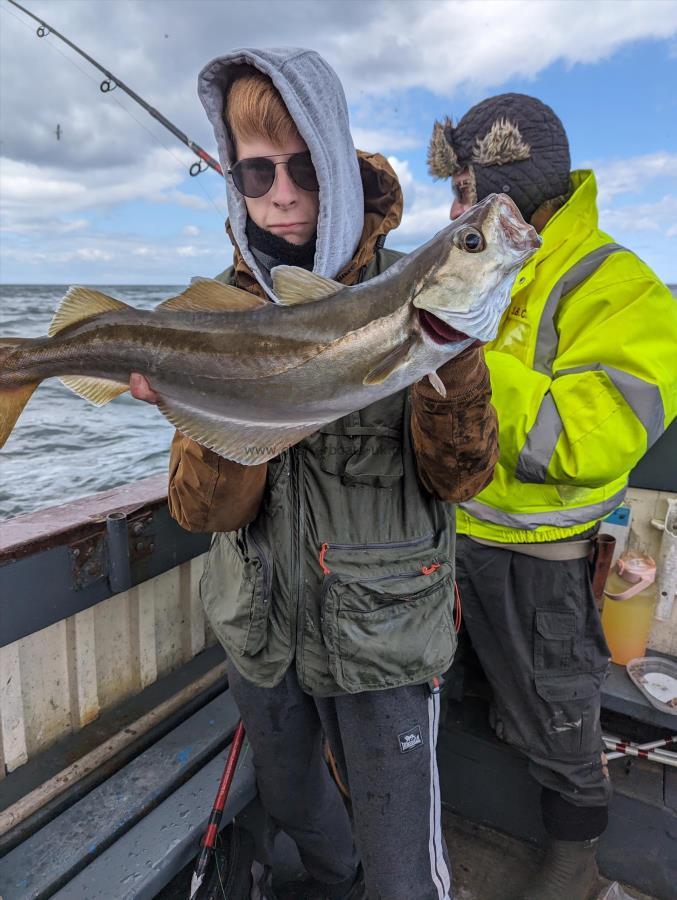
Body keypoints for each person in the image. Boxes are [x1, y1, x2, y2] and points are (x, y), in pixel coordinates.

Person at [131, 49, 499, 899]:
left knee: (404, 863)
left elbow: (461, 479)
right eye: (257, 171)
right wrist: (207, 410)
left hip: (382, 643)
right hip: (260, 639)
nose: (283, 193)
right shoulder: (210, 316)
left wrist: (456, 361)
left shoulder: (416, 288)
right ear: (234, 181)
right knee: (302, 814)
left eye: (302, 166)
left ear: (335, 162)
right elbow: (203, 512)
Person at [428, 93, 677, 900]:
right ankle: (454, 824)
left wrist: (460, 361)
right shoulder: (468, 261)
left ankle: (576, 861)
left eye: (461, 186)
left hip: (541, 562)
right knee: (441, 692)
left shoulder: (624, 286)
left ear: (500, 184)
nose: (452, 204)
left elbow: (591, 438)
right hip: (443, 537)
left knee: (559, 714)